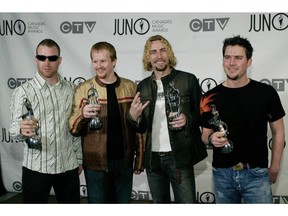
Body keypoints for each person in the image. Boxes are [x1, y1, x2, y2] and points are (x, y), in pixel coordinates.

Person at [200, 35, 286, 203]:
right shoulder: (209, 97)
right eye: (227, 57)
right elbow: (204, 135)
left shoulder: (266, 93)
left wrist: (275, 166)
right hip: (222, 175)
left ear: (249, 61)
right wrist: (210, 138)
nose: (231, 63)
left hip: (256, 174)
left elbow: (279, 132)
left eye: (238, 58)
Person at [128, 34, 207, 203]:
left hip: (179, 158)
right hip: (153, 160)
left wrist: (187, 118)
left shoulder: (187, 80)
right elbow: (141, 128)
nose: (159, 56)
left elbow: (203, 115)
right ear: (148, 58)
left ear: (169, 53)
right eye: (153, 52)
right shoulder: (142, 86)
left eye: (163, 50)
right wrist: (133, 118)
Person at [68, 41, 145, 204]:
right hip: (95, 165)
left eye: (103, 61)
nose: (98, 66)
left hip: (124, 163)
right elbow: (73, 128)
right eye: (95, 61)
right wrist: (82, 115)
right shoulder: (83, 88)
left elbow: (140, 127)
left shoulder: (130, 87)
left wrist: (140, 159)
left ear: (114, 61)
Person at [9, 39, 83, 203]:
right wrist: (21, 129)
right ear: (36, 59)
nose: (47, 63)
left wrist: (79, 159)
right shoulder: (23, 91)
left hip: (67, 166)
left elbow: (75, 128)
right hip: (36, 168)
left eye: (52, 58)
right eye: (42, 58)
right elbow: (13, 130)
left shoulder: (72, 89)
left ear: (60, 60)